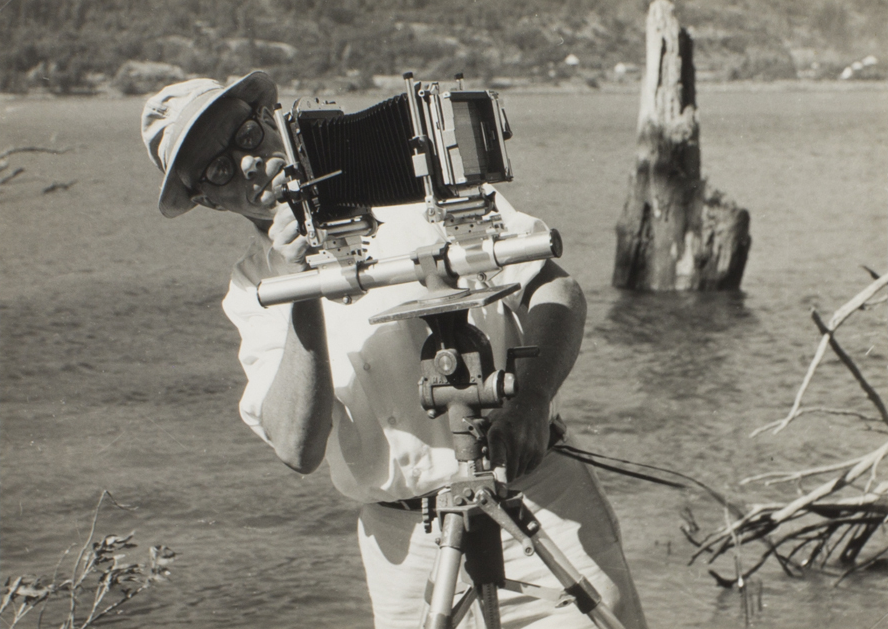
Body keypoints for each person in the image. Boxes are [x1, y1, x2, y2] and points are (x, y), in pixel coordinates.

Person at [141, 71, 648, 629]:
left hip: (538, 498)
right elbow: (297, 447)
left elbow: (553, 287)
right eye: (217, 169)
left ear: (270, 119)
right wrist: (299, 285)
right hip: (406, 547)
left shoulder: (418, 190)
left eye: (245, 136)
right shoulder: (253, 289)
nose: (247, 165)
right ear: (205, 200)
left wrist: (531, 399)